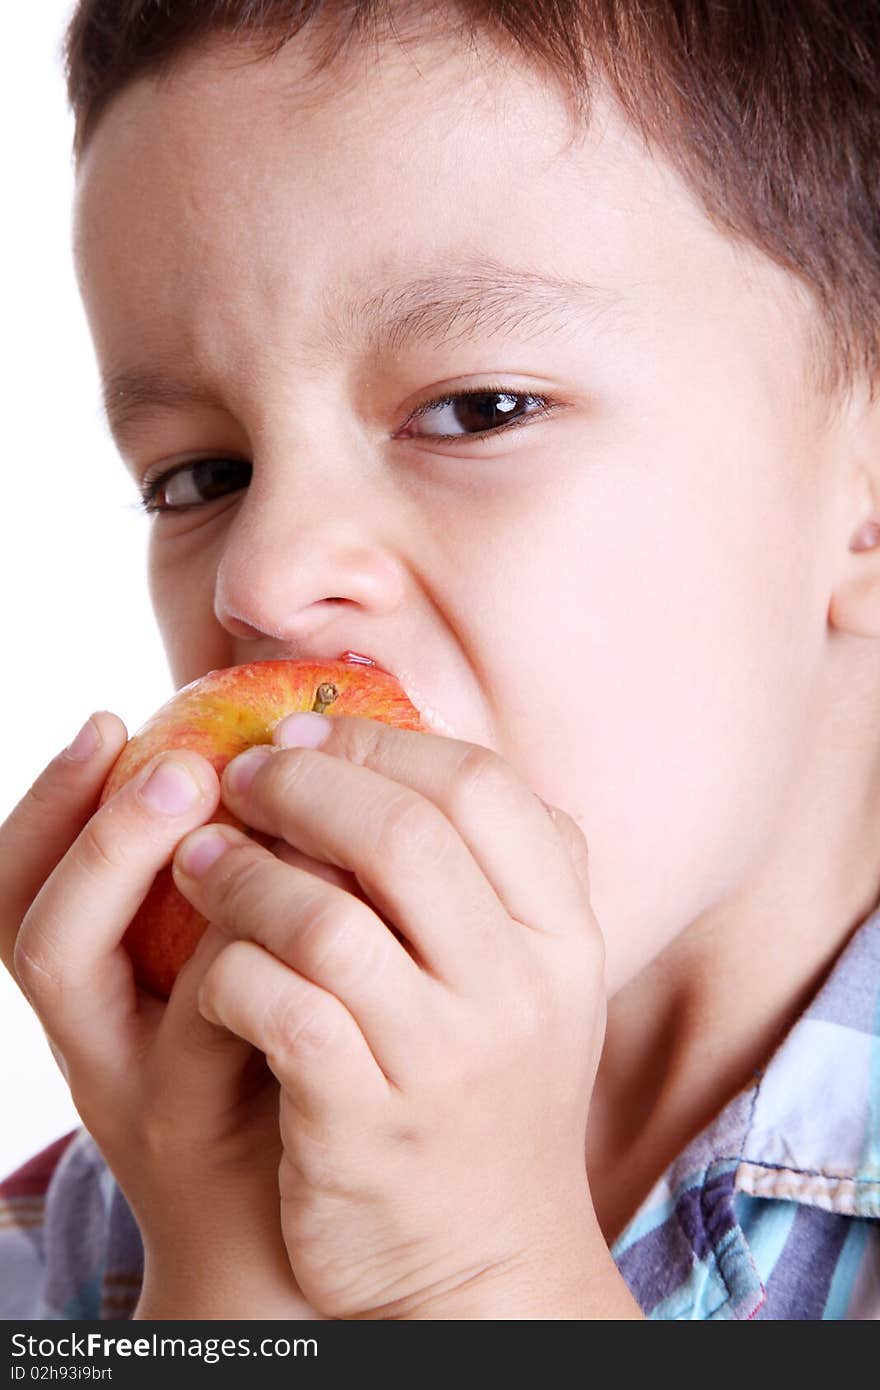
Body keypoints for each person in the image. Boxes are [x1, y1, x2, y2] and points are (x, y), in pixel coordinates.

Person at [1, 0, 878, 1320]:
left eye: (476, 410)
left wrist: (481, 1279)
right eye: (202, 474)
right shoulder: (121, 1203)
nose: (264, 575)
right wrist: (230, 1268)